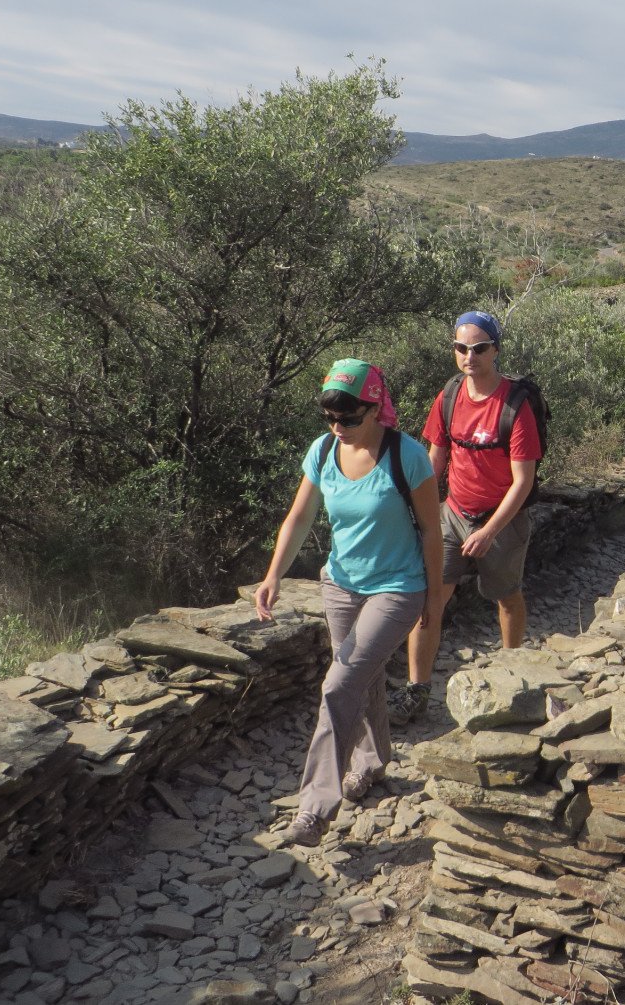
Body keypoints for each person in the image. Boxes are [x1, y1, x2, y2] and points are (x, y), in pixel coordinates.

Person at [255, 359, 442, 848]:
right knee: (365, 677)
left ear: (375, 408)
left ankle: (314, 811)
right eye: (330, 418)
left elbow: (432, 532)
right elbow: (299, 517)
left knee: (339, 685)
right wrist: (274, 573)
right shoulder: (322, 451)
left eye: (349, 418)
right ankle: (372, 764)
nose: (339, 427)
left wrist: (434, 599)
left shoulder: (408, 457)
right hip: (340, 585)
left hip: (398, 586)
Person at [396, 311, 543, 719]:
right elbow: (435, 460)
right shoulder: (448, 396)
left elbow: (522, 482)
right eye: (461, 348)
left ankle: (513, 672)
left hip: (503, 519)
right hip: (453, 513)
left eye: (479, 348)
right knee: (431, 598)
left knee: (507, 597)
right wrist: (417, 509)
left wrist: (490, 531)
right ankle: (417, 689)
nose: (469, 356)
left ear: (495, 349)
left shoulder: (516, 406)